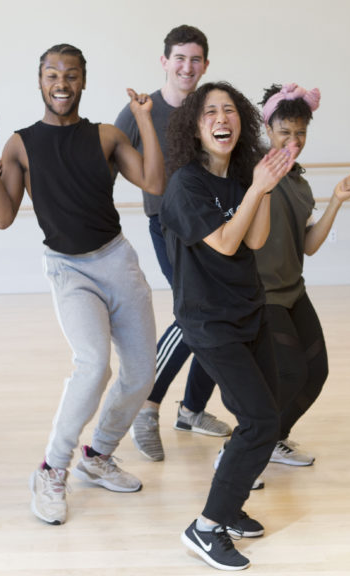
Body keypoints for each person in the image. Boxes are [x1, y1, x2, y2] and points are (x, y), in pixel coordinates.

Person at [0, 44, 161, 526]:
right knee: (94, 364)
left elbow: (155, 184)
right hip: (68, 269)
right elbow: (2, 216)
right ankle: (52, 467)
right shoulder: (20, 143)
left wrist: (145, 120)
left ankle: (97, 455)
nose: (62, 83)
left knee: (141, 372)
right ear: (40, 82)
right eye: (53, 75)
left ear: (83, 82)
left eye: (71, 75)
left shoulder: (106, 136)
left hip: (117, 260)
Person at [162, 81, 294, 571]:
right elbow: (223, 242)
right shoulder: (186, 184)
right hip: (209, 321)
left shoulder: (240, 176)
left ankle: (231, 505)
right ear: (196, 128)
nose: (223, 118)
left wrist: (263, 188)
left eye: (230, 111)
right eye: (210, 111)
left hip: (248, 311)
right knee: (260, 422)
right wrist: (258, 187)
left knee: (267, 416)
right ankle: (206, 527)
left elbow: (254, 239)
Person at [114, 25, 231, 463]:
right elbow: (109, 156)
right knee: (194, 311)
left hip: (213, 224)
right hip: (168, 226)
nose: (187, 66)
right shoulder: (143, 108)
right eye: (179, 58)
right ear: (164, 61)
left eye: (196, 59)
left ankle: (193, 410)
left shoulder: (210, 107)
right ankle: (147, 406)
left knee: (220, 314)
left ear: (205, 65)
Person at [254, 83, 350, 467]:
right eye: (285, 132)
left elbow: (308, 245)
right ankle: (248, 445)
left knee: (317, 371)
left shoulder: (300, 184)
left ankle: (275, 437)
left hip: (294, 291)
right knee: (292, 371)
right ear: (268, 131)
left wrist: (336, 202)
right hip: (263, 296)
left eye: (300, 133)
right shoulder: (255, 173)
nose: (293, 141)